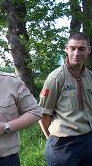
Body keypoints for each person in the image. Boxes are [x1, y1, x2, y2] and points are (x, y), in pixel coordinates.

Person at [39, 32, 92, 166]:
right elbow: (44, 115)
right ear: (66, 49)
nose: (76, 53)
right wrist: (52, 140)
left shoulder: (90, 76)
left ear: (89, 50)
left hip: (88, 141)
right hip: (64, 145)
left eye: (81, 48)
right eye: (72, 48)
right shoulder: (56, 78)